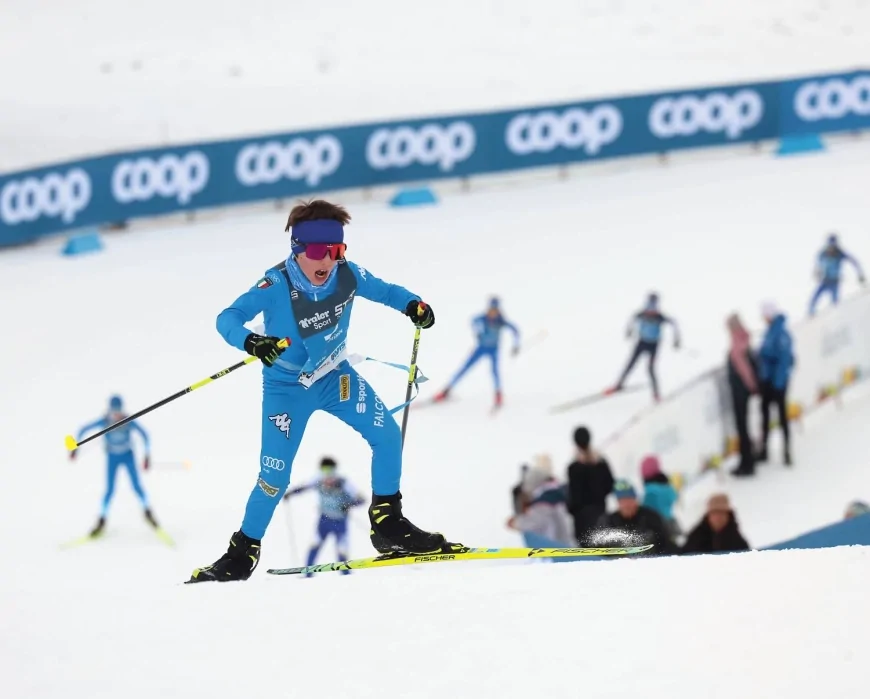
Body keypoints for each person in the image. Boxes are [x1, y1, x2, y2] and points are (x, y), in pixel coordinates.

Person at [188, 199, 461, 584]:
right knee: (273, 478)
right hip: (286, 390)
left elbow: (387, 291)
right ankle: (241, 552)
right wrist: (252, 342)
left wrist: (414, 304)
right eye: (319, 251)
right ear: (298, 249)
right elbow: (227, 318)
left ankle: (388, 523)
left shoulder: (347, 274)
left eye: (336, 250)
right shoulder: (275, 283)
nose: (328, 261)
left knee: (386, 436)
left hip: (336, 378)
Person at [70, 395, 158, 537]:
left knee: (137, 486)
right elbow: (83, 429)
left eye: (118, 411)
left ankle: (147, 512)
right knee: (109, 490)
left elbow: (145, 435)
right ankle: (102, 520)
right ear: (109, 410)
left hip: (128, 456)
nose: (116, 414)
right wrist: (75, 448)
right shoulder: (104, 421)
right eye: (113, 411)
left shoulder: (128, 421)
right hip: (112, 458)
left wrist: (147, 455)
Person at [433, 296, 520, 410]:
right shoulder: (483, 318)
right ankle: (446, 391)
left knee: (495, 372)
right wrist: (478, 331)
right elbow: (474, 321)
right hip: (481, 348)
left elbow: (515, 330)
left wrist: (516, 345)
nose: (493, 312)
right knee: (464, 368)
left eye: (495, 310)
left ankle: (498, 395)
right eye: (491, 309)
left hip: (494, 350)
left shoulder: (501, 321)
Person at [282, 457, 364, 576]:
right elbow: (304, 487)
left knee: (342, 550)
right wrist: (290, 493)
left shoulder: (343, 482)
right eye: (324, 470)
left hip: (340, 522)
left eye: (330, 470)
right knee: (315, 544)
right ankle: (307, 574)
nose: (327, 473)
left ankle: (346, 576)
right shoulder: (319, 480)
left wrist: (348, 505)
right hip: (324, 520)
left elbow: (361, 499)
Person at [606, 292, 680, 402]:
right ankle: (619, 385)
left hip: (653, 345)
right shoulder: (642, 314)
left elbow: (674, 324)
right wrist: (629, 331)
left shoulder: (660, 317)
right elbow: (632, 319)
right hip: (642, 342)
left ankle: (656, 395)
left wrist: (676, 340)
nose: (651, 311)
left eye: (653, 308)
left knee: (650, 369)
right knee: (630, 364)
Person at [756, 302, 795, 466]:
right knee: (764, 414)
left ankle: (786, 452)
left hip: (776, 383)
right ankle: (764, 450)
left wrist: (778, 384)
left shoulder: (781, 333)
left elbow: (784, 360)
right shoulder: (771, 331)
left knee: (781, 416)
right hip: (768, 382)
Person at [594, 480, 676, 555]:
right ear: (618, 502)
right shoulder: (608, 521)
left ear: (635, 499)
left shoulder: (651, 518)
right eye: (623, 500)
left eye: (629, 499)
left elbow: (666, 544)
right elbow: (599, 547)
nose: (627, 504)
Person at [566, 426, 615, 545]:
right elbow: (610, 485)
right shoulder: (601, 463)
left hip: (581, 520)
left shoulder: (573, 467)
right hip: (600, 514)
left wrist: (572, 508)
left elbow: (572, 495)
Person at [506, 460, 572, 546]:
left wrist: (516, 522)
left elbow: (533, 523)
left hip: (559, 551)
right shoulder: (560, 492)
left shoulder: (543, 503)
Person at [726, 313, 758, 477]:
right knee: (745, 426)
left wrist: (750, 384)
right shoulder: (745, 338)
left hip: (740, 391)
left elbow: (742, 367)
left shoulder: (737, 343)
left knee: (742, 427)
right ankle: (749, 459)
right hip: (744, 390)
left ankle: (746, 463)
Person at [809, 233, 865, 316]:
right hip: (825, 280)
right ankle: (811, 312)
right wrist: (816, 273)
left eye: (833, 246)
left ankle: (836, 317)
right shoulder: (823, 254)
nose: (831, 248)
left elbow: (854, 262)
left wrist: (860, 274)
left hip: (835, 281)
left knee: (835, 302)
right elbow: (817, 265)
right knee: (815, 297)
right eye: (830, 246)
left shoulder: (840, 254)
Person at [681, 493, 750, 555]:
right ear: (708, 516)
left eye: (722, 513)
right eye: (714, 513)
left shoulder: (737, 541)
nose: (718, 517)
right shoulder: (695, 538)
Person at [639, 455, 680, 540]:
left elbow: (645, 510)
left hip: (656, 526)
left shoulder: (650, 491)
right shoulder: (667, 487)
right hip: (669, 523)